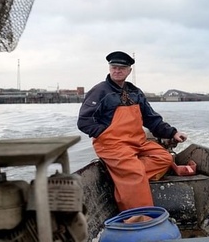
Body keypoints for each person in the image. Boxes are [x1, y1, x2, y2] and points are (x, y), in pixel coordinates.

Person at [77, 51, 187, 211]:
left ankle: (124, 178)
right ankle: (140, 218)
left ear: (129, 70)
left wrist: (172, 133)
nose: (117, 70)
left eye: (122, 68)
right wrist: (106, 134)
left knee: (164, 158)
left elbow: (151, 118)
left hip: (137, 143)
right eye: (114, 67)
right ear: (109, 68)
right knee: (134, 173)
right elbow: (84, 122)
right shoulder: (100, 91)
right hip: (112, 145)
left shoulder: (135, 92)